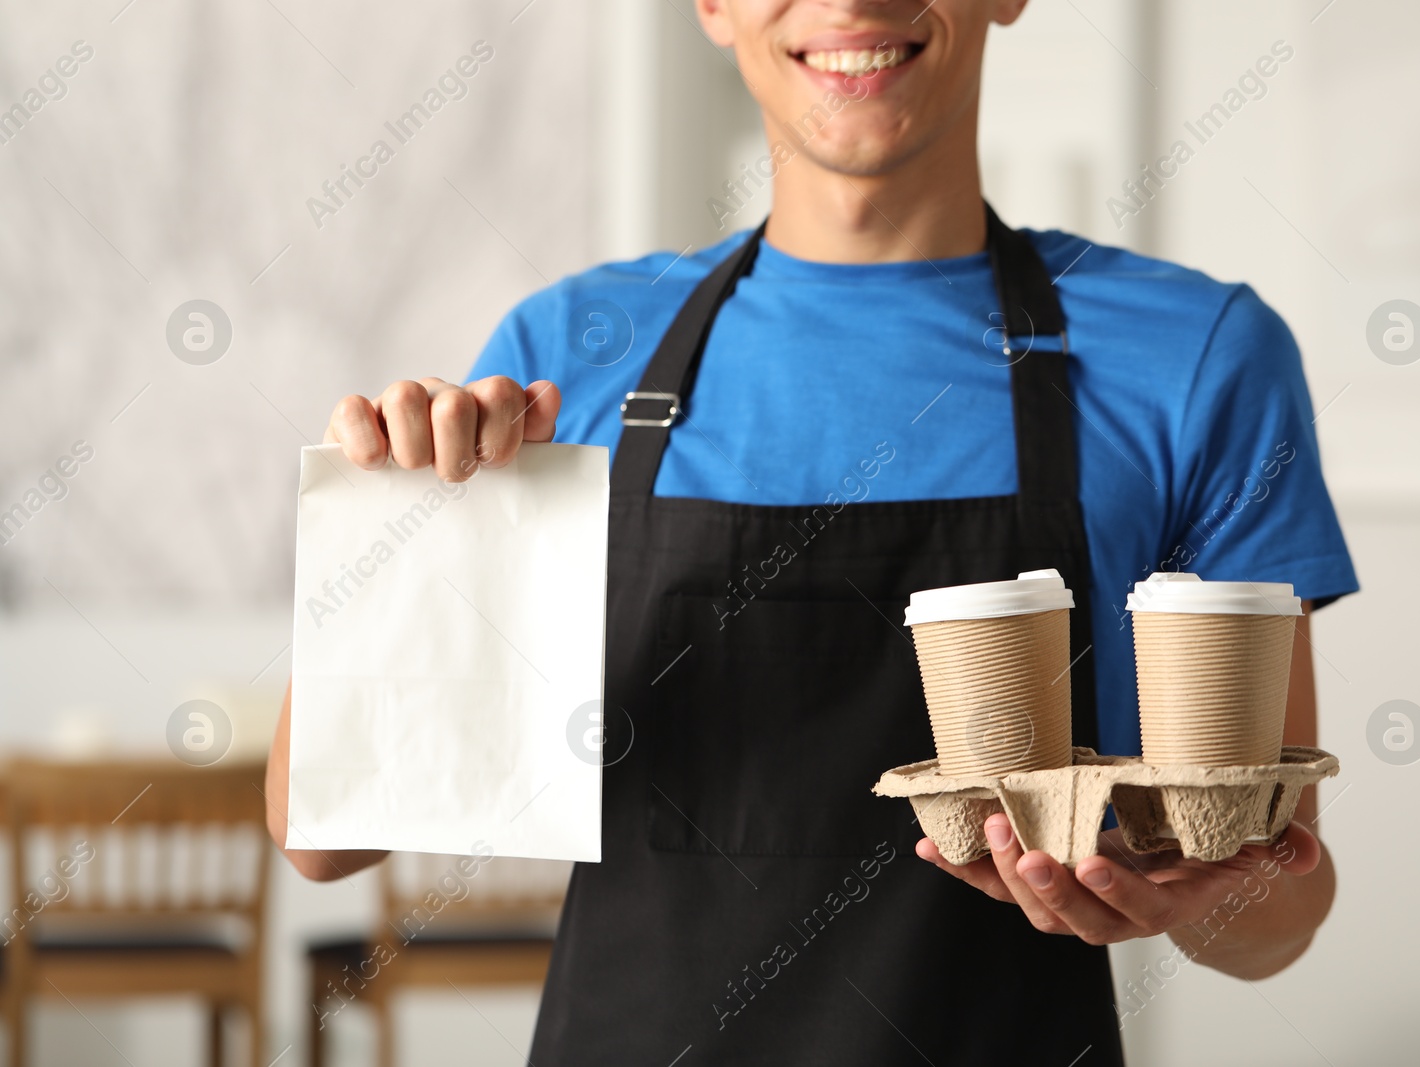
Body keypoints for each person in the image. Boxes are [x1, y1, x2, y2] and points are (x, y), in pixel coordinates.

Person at [265, 1, 1358, 1063]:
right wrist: (398, 517)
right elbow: (322, 836)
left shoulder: (1200, 357)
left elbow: (1278, 909)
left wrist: (1184, 897)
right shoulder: (569, 357)